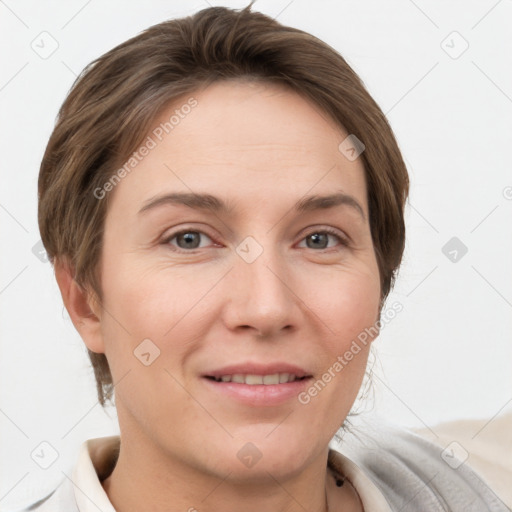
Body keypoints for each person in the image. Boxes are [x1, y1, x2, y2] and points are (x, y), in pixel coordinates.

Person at [21, 3, 510, 511]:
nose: (266, 308)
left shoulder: (473, 483)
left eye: (319, 239)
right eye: (189, 239)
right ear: (84, 301)